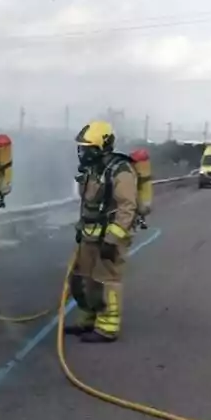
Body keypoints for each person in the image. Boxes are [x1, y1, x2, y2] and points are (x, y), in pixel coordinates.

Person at [64, 120, 139, 343]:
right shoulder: (91, 170)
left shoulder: (121, 171)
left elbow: (127, 208)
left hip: (109, 237)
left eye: (87, 148)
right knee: (82, 278)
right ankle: (88, 319)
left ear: (101, 147)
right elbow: (87, 204)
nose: (82, 153)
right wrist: (81, 229)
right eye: (81, 148)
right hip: (89, 235)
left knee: (106, 280)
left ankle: (107, 327)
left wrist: (112, 239)